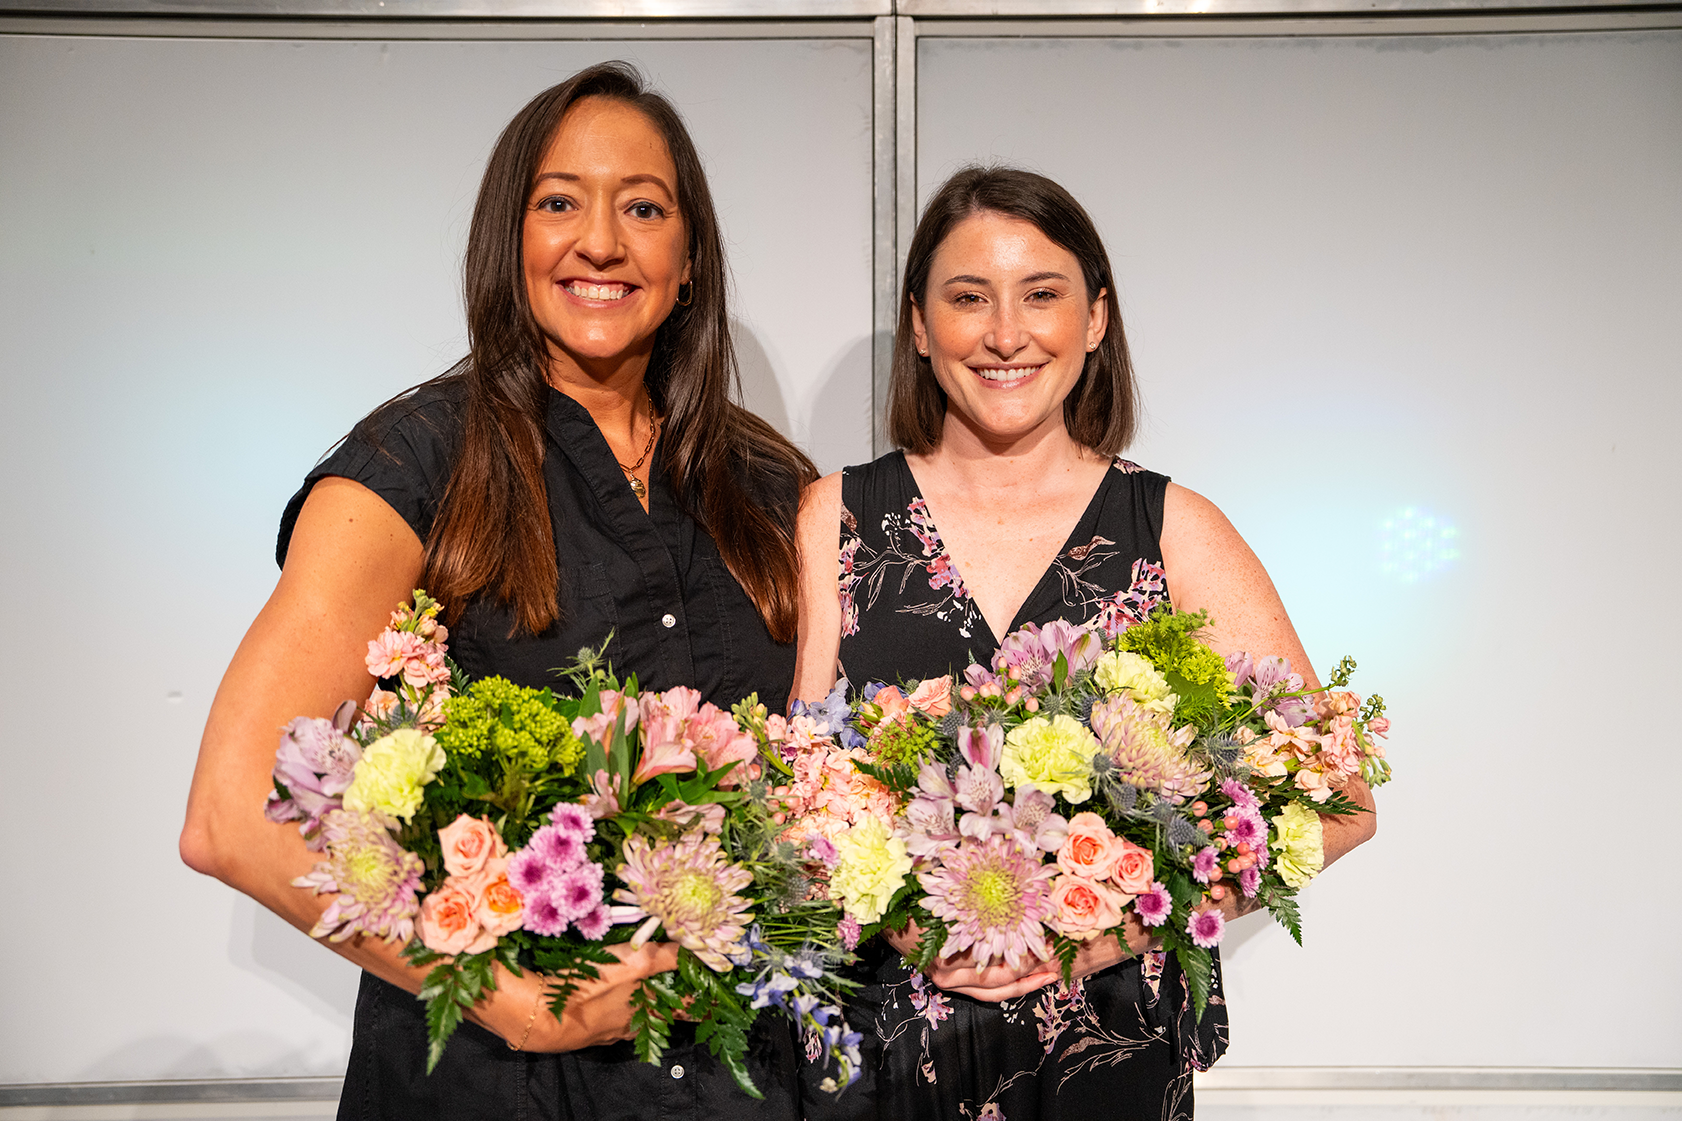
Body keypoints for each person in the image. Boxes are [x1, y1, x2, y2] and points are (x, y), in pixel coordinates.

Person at [180, 62, 817, 1120]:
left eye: (643, 208)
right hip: (489, 1084)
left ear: (689, 258)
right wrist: (504, 996)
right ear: (506, 240)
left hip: (740, 1083)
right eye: (558, 201)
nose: (601, 241)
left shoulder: (770, 485)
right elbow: (229, 815)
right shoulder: (416, 462)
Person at [792, 166, 1377, 1119]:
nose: (1006, 333)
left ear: (1096, 317)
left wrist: (1117, 925)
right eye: (968, 297)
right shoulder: (838, 517)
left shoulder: (1174, 529)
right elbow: (795, 790)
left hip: (1107, 1061)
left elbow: (1342, 802)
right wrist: (898, 922)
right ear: (920, 324)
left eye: (1043, 294)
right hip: (885, 1061)